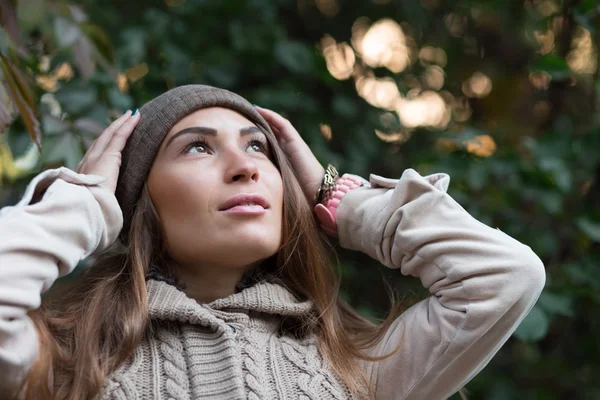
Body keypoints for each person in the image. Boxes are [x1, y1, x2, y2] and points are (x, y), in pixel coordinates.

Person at [0, 85, 545, 400]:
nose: (245, 168)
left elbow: (504, 275)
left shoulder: (356, 369)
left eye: (259, 147)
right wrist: (85, 203)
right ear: (139, 200)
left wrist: (342, 202)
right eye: (197, 148)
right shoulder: (65, 361)